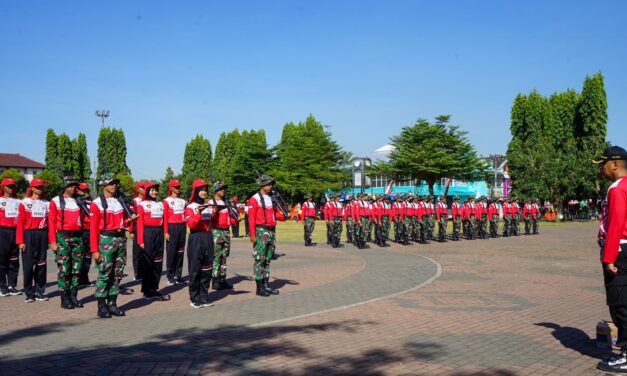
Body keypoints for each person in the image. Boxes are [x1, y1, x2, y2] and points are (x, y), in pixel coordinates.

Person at [593, 146, 627, 373]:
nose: (601, 169)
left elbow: (615, 225)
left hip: (620, 252)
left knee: (620, 304)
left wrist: (609, 257)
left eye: (603, 163)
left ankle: (625, 355)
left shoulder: (617, 189)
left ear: (615, 164)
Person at [90, 173, 136, 318]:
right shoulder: (97, 203)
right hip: (106, 240)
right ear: (104, 185)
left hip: (120, 239)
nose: (115, 185)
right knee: (105, 274)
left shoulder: (120, 202)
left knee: (117, 274)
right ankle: (101, 306)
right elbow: (93, 228)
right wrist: (94, 250)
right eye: (111, 183)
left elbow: (123, 223)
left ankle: (113, 304)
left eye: (116, 183)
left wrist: (130, 221)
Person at [48, 177, 84, 309]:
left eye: (75, 186)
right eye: (70, 186)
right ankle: (64, 298)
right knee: (64, 269)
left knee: (76, 269)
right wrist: (52, 241)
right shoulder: (55, 201)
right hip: (63, 237)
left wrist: (83, 196)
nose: (73, 188)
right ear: (64, 187)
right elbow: (51, 223)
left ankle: (74, 296)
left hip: (78, 238)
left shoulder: (79, 201)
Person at [248, 175, 286, 296]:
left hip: (271, 231)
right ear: (262, 185)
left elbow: (275, 214)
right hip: (260, 231)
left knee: (268, 259)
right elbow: (251, 219)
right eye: (268, 184)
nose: (270, 186)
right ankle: (259, 287)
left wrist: (283, 216)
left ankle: (266, 284)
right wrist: (252, 235)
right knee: (260, 259)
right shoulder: (254, 199)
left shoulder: (271, 198)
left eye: (271, 184)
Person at [17, 178, 50, 303]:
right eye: (38, 187)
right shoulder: (24, 202)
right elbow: (20, 223)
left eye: (42, 187)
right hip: (28, 235)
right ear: (32, 188)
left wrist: (50, 240)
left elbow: (50, 223)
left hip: (42, 235)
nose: (40, 189)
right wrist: (20, 241)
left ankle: (40, 291)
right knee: (28, 266)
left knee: (42, 265)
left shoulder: (47, 203)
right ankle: (29, 293)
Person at [185, 179, 214, 308]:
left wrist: (216, 211)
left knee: (207, 269)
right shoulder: (190, 207)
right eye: (201, 190)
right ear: (196, 191)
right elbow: (191, 224)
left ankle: (204, 295)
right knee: (195, 269)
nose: (204, 192)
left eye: (205, 190)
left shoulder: (208, 205)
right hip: (196, 238)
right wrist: (199, 212)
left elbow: (211, 222)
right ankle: (194, 297)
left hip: (208, 238)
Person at [136, 182, 167, 300]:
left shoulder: (160, 204)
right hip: (147, 233)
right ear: (147, 191)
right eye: (152, 190)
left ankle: (154, 288)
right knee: (148, 263)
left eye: (156, 190)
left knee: (158, 262)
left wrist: (164, 233)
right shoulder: (142, 205)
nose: (155, 192)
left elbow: (164, 220)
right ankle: (146, 290)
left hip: (158, 233)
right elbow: (139, 224)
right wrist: (140, 241)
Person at [209, 181, 238, 290]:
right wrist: (215, 211)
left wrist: (234, 220)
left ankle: (222, 279)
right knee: (216, 257)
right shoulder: (211, 202)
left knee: (224, 256)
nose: (223, 190)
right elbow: (209, 218)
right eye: (221, 189)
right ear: (216, 190)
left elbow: (230, 217)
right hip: (216, 231)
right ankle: (215, 280)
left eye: (224, 188)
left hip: (226, 231)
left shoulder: (226, 202)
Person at [0, 178, 22, 297]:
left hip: (15, 231)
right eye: (8, 186)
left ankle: (12, 285)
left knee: (14, 261)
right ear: (3, 187)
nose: (11, 188)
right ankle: (2, 287)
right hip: (2, 231)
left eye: (13, 186)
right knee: (2, 261)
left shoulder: (19, 202)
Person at [163, 180, 186, 285]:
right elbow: (165, 218)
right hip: (172, 228)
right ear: (171, 188)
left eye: (179, 187)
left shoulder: (183, 201)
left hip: (182, 227)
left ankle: (178, 275)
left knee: (180, 252)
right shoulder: (166, 201)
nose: (178, 189)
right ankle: (170, 276)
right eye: (176, 187)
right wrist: (166, 231)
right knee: (171, 253)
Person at [77, 182, 94, 287]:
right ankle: (78, 279)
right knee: (79, 256)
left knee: (88, 256)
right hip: (81, 231)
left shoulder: (92, 202)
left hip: (90, 231)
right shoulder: (77, 202)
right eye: (82, 190)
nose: (85, 192)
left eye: (86, 190)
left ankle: (85, 278)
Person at [131, 182, 146, 280]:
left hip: (147, 228)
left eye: (145, 187)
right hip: (137, 227)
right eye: (142, 187)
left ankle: (144, 272)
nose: (144, 189)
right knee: (137, 252)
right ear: (137, 189)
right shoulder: (134, 201)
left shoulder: (148, 201)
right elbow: (131, 216)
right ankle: (137, 273)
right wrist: (131, 231)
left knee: (145, 252)